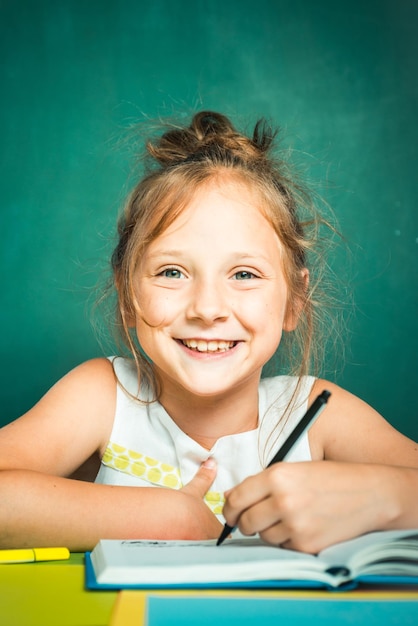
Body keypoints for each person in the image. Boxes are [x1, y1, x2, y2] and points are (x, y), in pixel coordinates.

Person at [0, 111, 417, 553]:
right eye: (173, 271)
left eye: (243, 274)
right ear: (127, 296)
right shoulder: (103, 395)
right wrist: (166, 518)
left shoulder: (317, 414)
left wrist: (383, 500)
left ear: (294, 299)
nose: (207, 309)